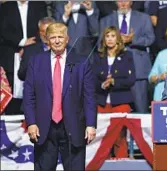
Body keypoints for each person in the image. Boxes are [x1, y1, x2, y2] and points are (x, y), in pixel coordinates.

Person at [23, 23, 97, 170]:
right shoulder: (36, 61)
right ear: (47, 40)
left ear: (67, 38)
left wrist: (91, 124)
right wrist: (31, 122)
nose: (57, 41)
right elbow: (29, 95)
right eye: (53, 37)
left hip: (74, 127)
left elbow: (89, 96)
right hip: (44, 128)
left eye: (60, 37)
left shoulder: (81, 62)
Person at [99, 0, 155, 113]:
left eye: (126, 0)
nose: (123, 3)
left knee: (141, 110)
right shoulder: (106, 20)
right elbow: (100, 43)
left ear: (132, 2)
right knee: (118, 112)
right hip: (114, 74)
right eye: (120, 1)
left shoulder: (143, 18)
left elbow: (150, 39)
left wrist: (132, 40)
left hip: (138, 70)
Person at [93, 26, 135, 158]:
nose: (110, 39)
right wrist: (102, 85)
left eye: (113, 36)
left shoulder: (127, 55)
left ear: (118, 38)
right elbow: (91, 79)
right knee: (101, 138)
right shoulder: (97, 56)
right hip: (101, 102)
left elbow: (131, 79)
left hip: (120, 102)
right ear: (104, 39)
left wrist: (114, 82)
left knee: (119, 137)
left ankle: (121, 162)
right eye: (107, 36)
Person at [18, 17, 56, 81]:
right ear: (39, 32)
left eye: (48, 31)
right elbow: (21, 75)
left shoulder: (64, 49)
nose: (45, 34)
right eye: (42, 31)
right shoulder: (30, 50)